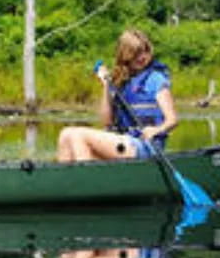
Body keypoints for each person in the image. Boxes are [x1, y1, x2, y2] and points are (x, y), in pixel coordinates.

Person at [57, 28, 177, 162]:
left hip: (145, 146)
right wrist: (106, 86)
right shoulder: (120, 81)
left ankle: (87, 180)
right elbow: (107, 122)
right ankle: (67, 180)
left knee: (78, 135)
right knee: (66, 134)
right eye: (136, 53)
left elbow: (172, 120)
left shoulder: (156, 79)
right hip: (124, 141)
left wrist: (156, 130)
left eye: (145, 51)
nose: (142, 57)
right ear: (126, 55)